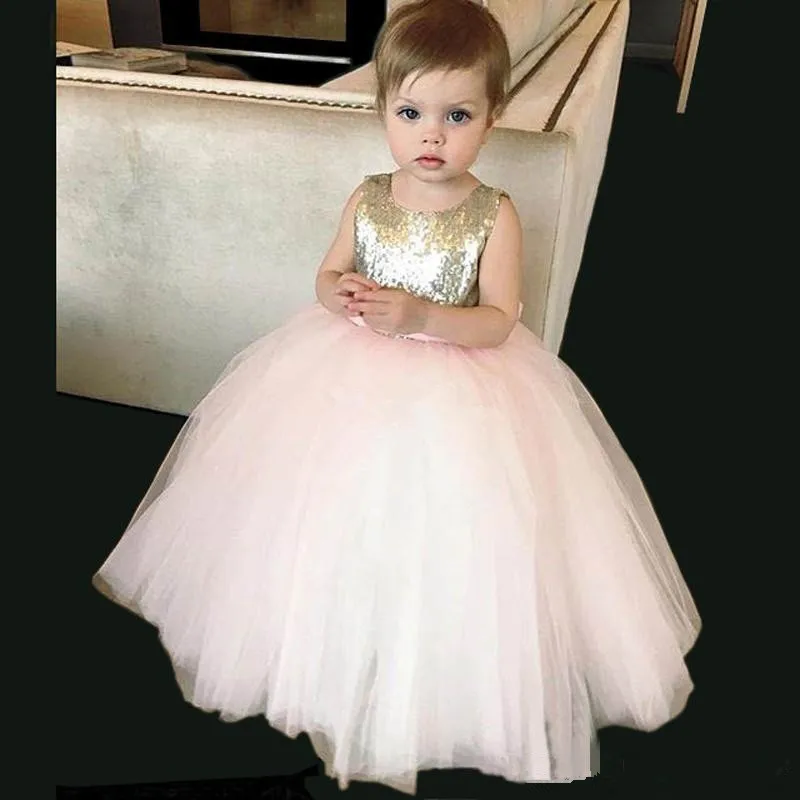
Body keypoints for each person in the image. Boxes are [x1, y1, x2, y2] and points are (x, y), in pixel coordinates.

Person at [93, 0, 701, 794]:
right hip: (348, 369)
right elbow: (326, 272)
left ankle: (431, 661)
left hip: (460, 383)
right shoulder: (369, 195)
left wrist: (423, 318)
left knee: (446, 527)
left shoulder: (495, 213)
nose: (431, 136)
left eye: (457, 116)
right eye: (411, 113)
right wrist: (337, 292)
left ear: (493, 116)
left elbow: (499, 320)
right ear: (382, 109)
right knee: (329, 509)